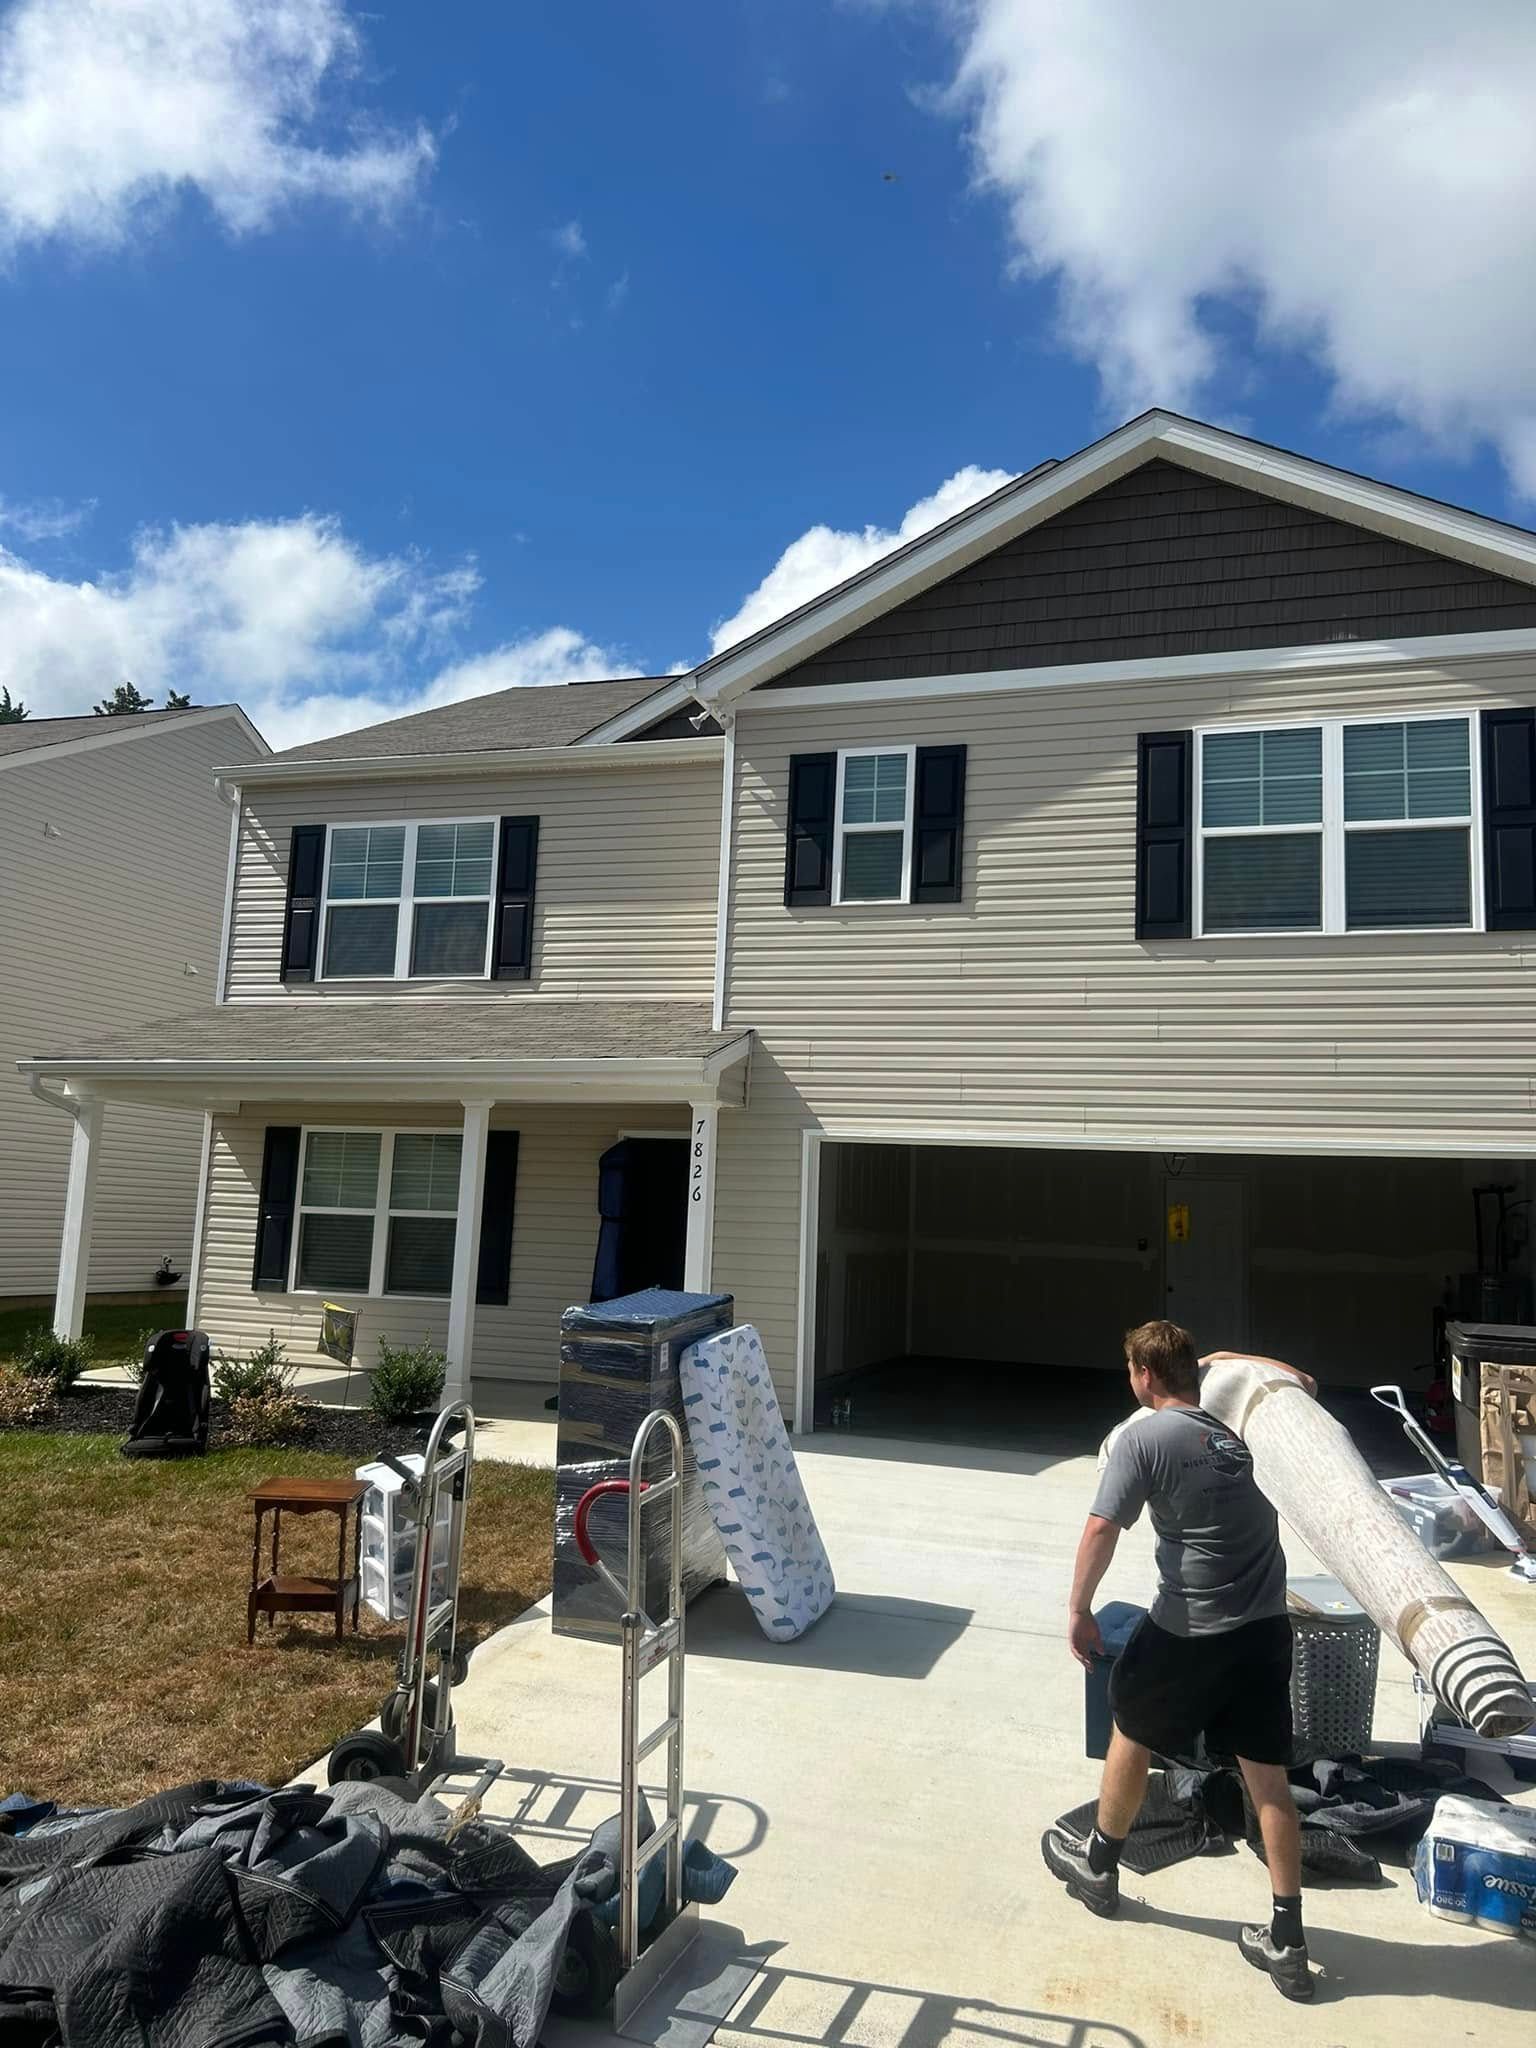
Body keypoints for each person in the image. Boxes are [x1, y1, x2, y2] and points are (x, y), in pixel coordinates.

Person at [1040, 1322, 1319, 2002]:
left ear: (1144, 1376)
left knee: (1131, 1726)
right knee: (1267, 1779)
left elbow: (1102, 1527)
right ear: (1195, 1370)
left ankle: (1100, 1867)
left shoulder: (1144, 1435)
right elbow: (1303, 1385)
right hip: (1263, 1628)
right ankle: (1288, 1939)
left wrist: (1078, 1609)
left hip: (1190, 1626)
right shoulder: (1243, 1428)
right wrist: (1233, 1358)